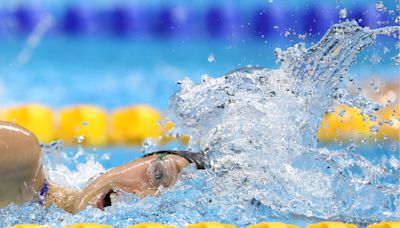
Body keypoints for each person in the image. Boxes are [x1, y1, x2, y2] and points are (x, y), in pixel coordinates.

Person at [0, 121, 204, 214]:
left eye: (165, 204)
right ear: (136, 161)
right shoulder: (21, 158)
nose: (140, 195)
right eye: (158, 175)